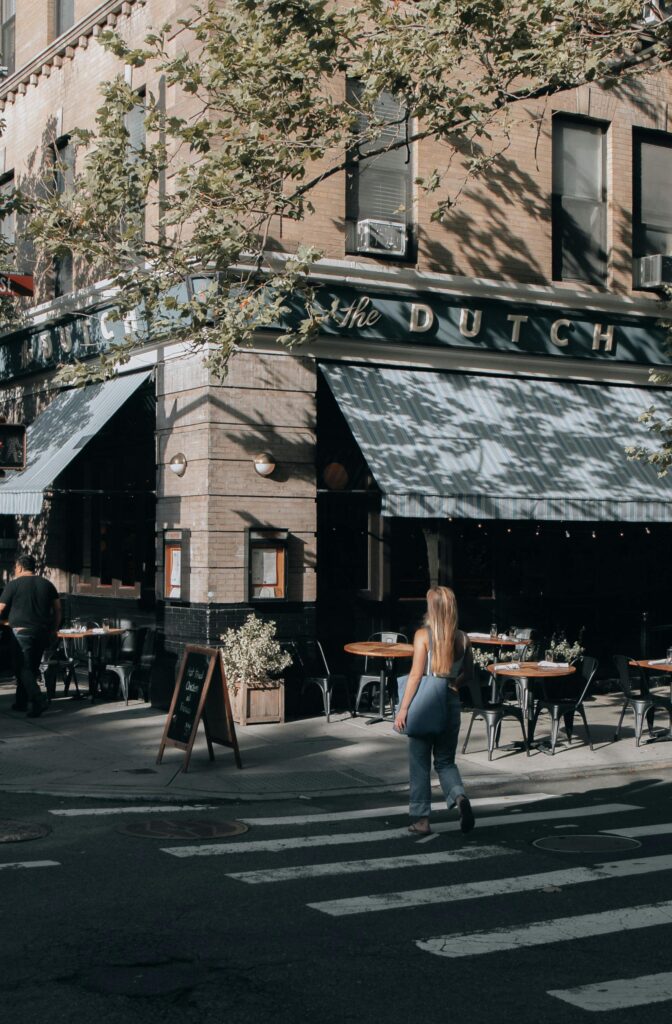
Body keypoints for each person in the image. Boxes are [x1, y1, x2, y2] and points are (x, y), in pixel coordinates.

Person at [393, 585, 475, 835]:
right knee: (445, 762)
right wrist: (451, 685)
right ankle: (459, 798)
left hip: (426, 702)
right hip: (450, 702)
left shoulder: (422, 636)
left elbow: (416, 675)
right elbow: (469, 675)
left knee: (419, 764)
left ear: (432, 608)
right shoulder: (463, 638)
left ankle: (421, 820)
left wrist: (402, 709)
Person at [0, 554, 61, 717]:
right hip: (42, 631)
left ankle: (38, 699)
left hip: (21, 632)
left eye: (15, 567)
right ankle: (22, 703)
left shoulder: (13, 585)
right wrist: (54, 629)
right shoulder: (48, 585)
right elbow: (58, 609)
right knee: (30, 668)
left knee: (21, 667)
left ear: (19, 567)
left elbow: (0, 608)